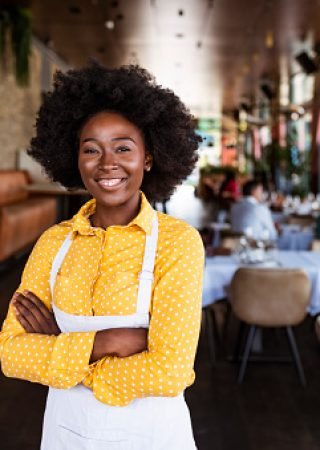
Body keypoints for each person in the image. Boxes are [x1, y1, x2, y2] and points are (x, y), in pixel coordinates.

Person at [0, 65, 204, 449]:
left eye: (123, 148)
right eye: (91, 149)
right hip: (64, 434)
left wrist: (64, 354)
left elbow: (170, 372)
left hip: (152, 437)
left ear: (148, 157)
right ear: (74, 158)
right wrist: (106, 342)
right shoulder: (53, 242)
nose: (107, 162)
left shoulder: (178, 243)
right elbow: (10, 353)